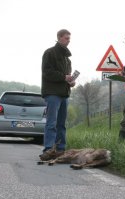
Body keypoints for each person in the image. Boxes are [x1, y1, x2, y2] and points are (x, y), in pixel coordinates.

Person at [39, 29, 76, 161]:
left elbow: (65, 78)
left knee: (61, 124)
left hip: (64, 94)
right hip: (52, 93)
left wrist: (70, 82)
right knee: (51, 123)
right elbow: (47, 72)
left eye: (69, 38)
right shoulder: (49, 53)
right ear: (59, 38)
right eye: (66, 38)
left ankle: (60, 150)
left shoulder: (67, 59)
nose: (69, 40)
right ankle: (48, 149)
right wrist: (64, 77)